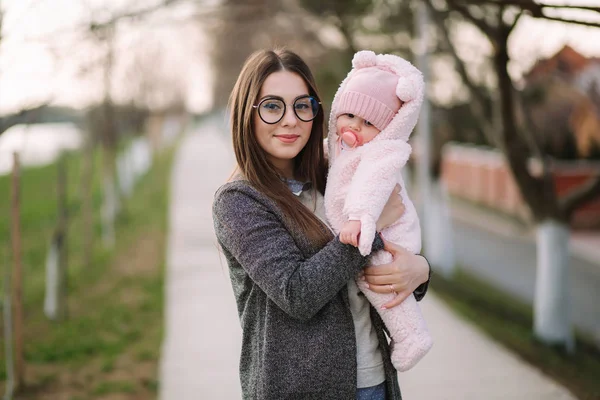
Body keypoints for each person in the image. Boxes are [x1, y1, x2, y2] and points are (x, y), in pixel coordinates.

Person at [212, 48, 431, 400]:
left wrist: (419, 271)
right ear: (246, 115)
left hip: (375, 380)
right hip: (298, 389)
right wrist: (368, 229)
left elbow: (391, 252)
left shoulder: (337, 176)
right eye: (272, 106)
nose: (290, 120)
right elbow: (296, 294)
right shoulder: (240, 201)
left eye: (302, 105)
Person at [324, 50, 433, 372]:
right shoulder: (344, 147)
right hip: (369, 228)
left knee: (379, 282)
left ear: (388, 127)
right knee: (374, 280)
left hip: (387, 232)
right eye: (348, 116)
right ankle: (405, 334)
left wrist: (360, 217)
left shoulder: (384, 152)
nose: (354, 127)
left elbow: (370, 186)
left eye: (369, 122)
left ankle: (411, 335)